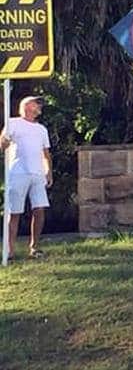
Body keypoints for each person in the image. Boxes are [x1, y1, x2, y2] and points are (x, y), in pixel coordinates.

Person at [1, 95, 52, 260]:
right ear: (28, 105)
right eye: (37, 103)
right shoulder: (13, 123)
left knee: (40, 209)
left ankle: (34, 247)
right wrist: (4, 143)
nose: (39, 107)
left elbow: (46, 153)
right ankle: (9, 251)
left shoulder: (41, 129)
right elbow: (2, 143)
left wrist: (48, 171)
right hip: (18, 173)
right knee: (14, 212)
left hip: (37, 174)